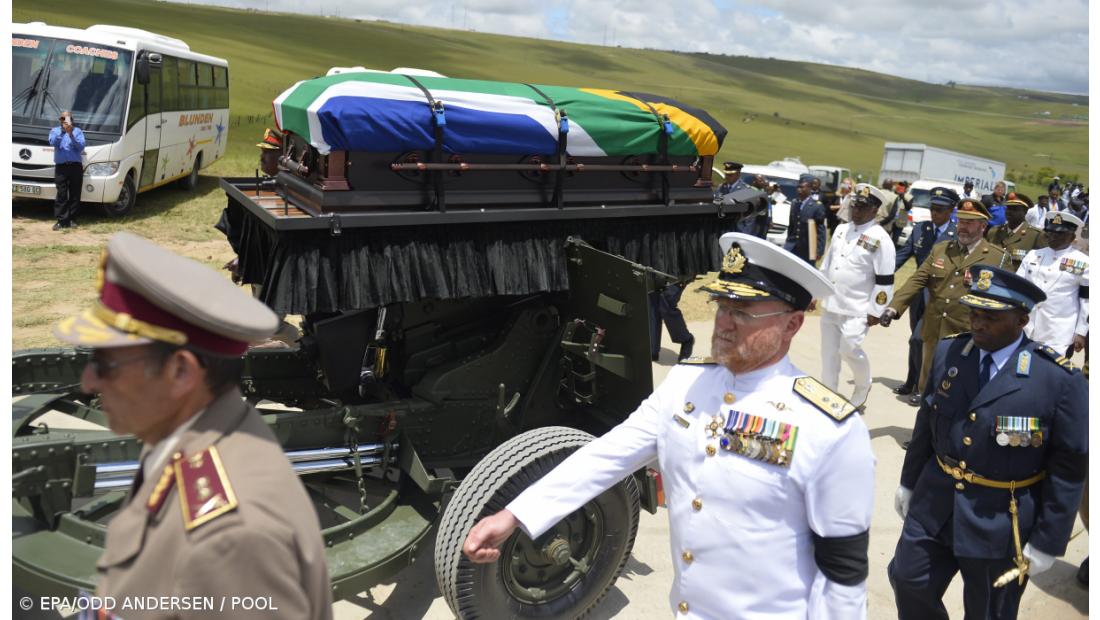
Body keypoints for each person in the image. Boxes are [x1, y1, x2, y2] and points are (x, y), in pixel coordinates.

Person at [463, 233, 875, 619]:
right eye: (722, 306)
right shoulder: (686, 383)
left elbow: (843, 571)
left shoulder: (827, 427)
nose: (725, 323)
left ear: (792, 325)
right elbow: (606, 457)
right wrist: (516, 515)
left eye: (744, 312)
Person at [54, 232, 333, 620]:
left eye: (107, 364)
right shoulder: (179, 440)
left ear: (181, 372)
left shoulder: (232, 537)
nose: (88, 383)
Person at [888, 265, 1088, 620]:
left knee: (990, 611)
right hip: (935, 502)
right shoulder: (951, 353)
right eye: (974, 313)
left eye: (991, 317)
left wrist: (1048, 539)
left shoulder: (1057, 381)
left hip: (1000, 519)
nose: (977, 324)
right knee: (908, 579)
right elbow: (926, 423)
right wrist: (908, 481)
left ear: (1021, 321)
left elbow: (1069, 467)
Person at [878, 198, 1008, 402]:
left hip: (968, 336)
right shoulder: (942, 249)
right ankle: (923, 431)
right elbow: (918, 279)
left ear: (983, 226)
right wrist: (893, 308)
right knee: (927, 389)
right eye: (960, 221)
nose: (962, 227)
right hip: (934, 331)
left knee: (955, 393)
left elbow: (1003, 302)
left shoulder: (997, 258)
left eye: (969, 223)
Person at [818, 183, 896, 408]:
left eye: (863, 207)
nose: (857, 210)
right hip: (832, 303)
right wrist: (816, 291)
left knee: (849, 349)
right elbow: (828, 264)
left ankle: (863, 385)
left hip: (858, 308)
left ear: (875, 210)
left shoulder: (881, 238)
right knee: (829, 354)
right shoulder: (841, 230)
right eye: (855, 205)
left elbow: (885, 280)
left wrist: (876, 310)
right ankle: (827, 395)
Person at [891, 187, 958, 402]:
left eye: (940, 209)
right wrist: (882, 273)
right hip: (918, 295)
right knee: (914, 340)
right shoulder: (921, 229)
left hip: (938, 295)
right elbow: (904, 254)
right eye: (932, 208)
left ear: (950, 211)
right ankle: (911, 381)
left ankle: (924, 387)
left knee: (920, 339)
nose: (934, 213)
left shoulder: (956, 235)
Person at [1017, 211, 1089, 357]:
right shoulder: (1033, 255)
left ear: (1072, 237)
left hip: (1058, 334)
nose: (1053, 236)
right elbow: (1017, 288)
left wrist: (1081, 332)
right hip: (1025, 327)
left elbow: (1087, 300)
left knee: (1050, 376)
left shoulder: (1085, 263)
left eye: (1060, 234)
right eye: (1050, 232)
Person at [985, 193, 1047, 271]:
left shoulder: (1036, 236)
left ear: (1025, 212)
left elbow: (1040, 268)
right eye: (1008, 208)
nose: (1009, 212)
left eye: (1015, 209)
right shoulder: (994, 231)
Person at [48, 110, 85, 230]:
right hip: (61, 167)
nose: (65, 121)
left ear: (72, 120)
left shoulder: (78, 131)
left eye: (67, 119)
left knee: (75, 193)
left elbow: (80, 147)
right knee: (62, 194)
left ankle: (72, 219)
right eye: (63, 119)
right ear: (60, 120)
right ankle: (61, 220)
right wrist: (63, 132)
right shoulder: (55, 131)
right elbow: (53, 143)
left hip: (75, 166)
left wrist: (71, 135)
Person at [650, 277, 695, 362]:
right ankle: (653, 348)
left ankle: (686, 339)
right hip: (653, 268)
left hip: (677, 270)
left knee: (667, 302)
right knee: (653, 301)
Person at [785, 174, 827, 264]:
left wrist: (819, 250)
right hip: (792, 246)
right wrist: (788, 241)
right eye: (798, 187)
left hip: (807, 249)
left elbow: (820, 231)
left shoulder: (816, 206)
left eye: (802, 187)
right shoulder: (794, 204)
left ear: (809, 188)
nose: (799, 190)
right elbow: (791, 226)